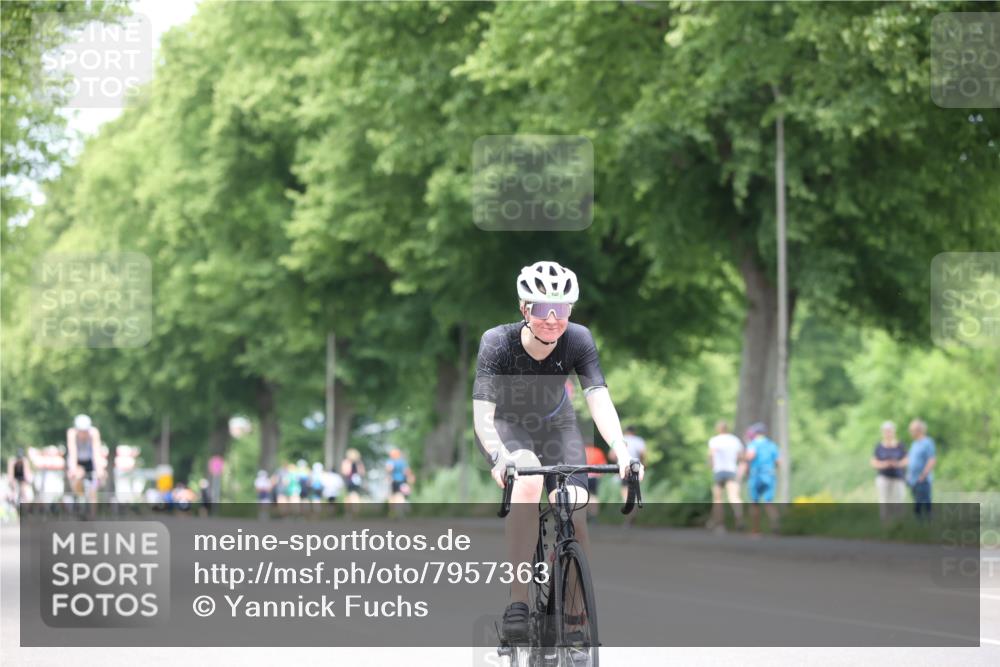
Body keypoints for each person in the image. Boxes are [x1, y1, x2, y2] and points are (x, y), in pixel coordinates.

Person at [472, 260, 644, 642]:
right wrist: (500, 457)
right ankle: (518, 601)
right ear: (524, 309)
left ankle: (572, 610)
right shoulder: (497, 341)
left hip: (558, 425)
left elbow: (598, 398)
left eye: (562, 309)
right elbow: (483, 413)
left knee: (576, 507)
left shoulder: (578, 339)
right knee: (529, 483)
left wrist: (621, 450)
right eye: (541, 308)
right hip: (507, 427)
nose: (552, 318)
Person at [706, 420, 744, 532]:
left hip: (719, 471)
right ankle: (739, 518)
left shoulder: (714, 440)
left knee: (718, 499)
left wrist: (711, 466)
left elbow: (711, 455)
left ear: (718, 429)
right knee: (734, 496)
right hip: (731, 470)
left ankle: (720, 525)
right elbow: (741, 457)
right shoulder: (735, 440)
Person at [745, 422, 780, 536]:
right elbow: (778, 462)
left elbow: (750, 456)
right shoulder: (771, 445)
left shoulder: (753, 444)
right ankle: (775, 526)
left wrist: (745, 462)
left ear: (755, 433)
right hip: (769, 475)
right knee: (769, 503)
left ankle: (756, 530)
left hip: (756, 476)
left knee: (755, 504)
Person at [871, 421, 908, 521]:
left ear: (893, 432)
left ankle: (899, 524)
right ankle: (886, 524)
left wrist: (897, 464)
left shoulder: (900, 445)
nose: (888, 433)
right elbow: (874, 462)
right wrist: (885, 464)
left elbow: (906, 460)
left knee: (898, 501)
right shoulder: (879, 446)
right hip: (884, 477)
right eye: (886, 431)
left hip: (898, 477)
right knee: (884, 502)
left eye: (890, 431)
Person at [66, 414, 105, 504]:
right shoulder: (72, 433)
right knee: (78, 475)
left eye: (85, 431)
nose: (83, 434)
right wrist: (73, 469)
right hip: (78, 461)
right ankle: (80, 497)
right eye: (81, 431)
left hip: (90, 461)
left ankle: (92, 515)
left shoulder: (94, 433)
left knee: (94, 489)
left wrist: (99, 469)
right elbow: (73, 453)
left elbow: (96, 452)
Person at [906, 419, 936, 520]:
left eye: (912, 430)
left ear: (919, 430)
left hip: (922, 480)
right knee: (916, 502)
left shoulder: (927, 442)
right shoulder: (914, 444)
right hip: (913, 479)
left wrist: (923, 475)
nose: (910, 433)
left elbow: (931, 460)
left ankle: (928, 524)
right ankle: (920, 525)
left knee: (924, 502)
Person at [584, 442, 607, 518]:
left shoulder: (581, 451)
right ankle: (594, 515)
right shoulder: (598, 451)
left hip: (583, 477)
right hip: (594, 477)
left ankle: (585, 515)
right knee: (594, 496)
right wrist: (599, 475)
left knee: (583, 496)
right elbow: (603, 464)